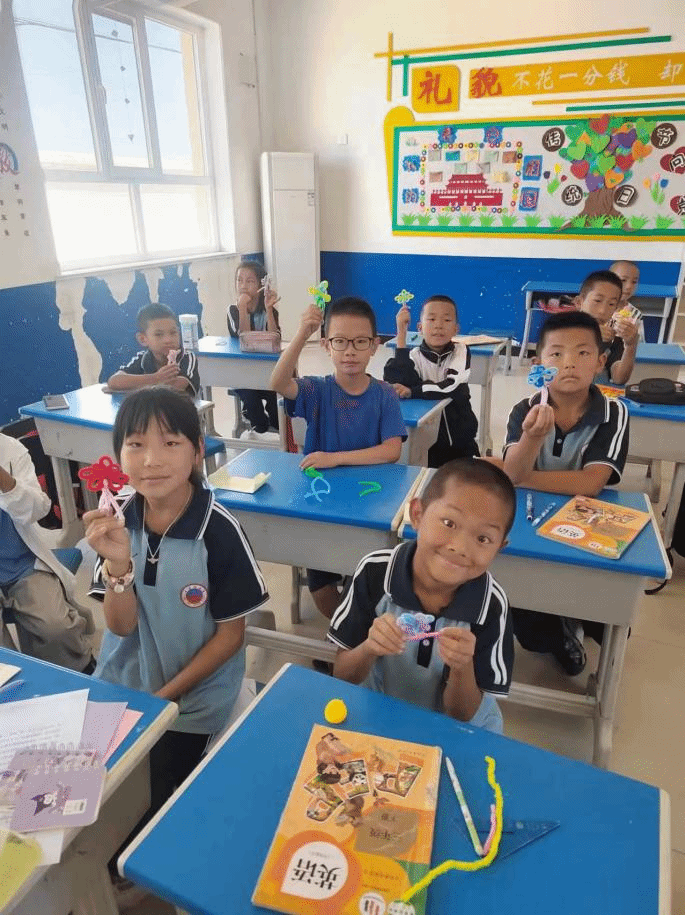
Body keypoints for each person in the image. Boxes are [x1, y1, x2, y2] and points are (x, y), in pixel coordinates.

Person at [85, 387, 268, 826]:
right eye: (135, 444)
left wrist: (163, 699)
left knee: (161, 805)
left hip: (192, 701)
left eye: (170, 443)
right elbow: (121, 627)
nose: (151, 460)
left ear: (197, 450)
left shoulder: (219, 531)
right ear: (119, 455)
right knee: (97, 793)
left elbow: (231, 636)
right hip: (122, 684)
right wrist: (118, 565)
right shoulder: (117, 522)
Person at [328, 459, 515, 734]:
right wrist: (369, 647)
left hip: (451, 731)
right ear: (417, 514)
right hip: (380, 714)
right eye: (449, 523)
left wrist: (462, 667)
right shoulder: (375, 572)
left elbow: (462, 714)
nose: (461, 548)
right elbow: (342, 675)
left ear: (499, 548)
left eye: (483, 539)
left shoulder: (492, 605)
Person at [503, 310, 630, 675]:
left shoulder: (613, 413)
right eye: (556, 354)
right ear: (538, 364)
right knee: (528, 618)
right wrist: (532, 437)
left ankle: (583, 620)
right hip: (528, 523)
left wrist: (521, 475)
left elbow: (591, 483)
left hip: (587, 526)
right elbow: (513, 473)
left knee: (609, 613)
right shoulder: (524, 410)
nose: (569, 363)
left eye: (582, 353)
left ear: (601, 362)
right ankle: (558, 633)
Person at [270, 296, 406, 620]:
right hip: (322, 503)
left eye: (360, 342)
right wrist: (302, 332)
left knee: (372, 574)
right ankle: (342, 628)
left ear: (374, 346)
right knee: (322, 583)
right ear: (326, 345)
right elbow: (277, 382)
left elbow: (392, 450)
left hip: (370, 503)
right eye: (340, 341)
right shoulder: (317, 390)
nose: (349, 351)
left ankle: (354, 623)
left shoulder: (385, 394)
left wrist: (336, 458)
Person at [0, 433, 95, 673]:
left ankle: (81, 670)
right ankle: (16, 686)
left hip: (22, 563)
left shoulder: (10, 449)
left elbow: (39, 509)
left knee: (55, 628)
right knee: (5, 662)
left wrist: (6, 482)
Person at [383, 294, 479, 464]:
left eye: (446, 320)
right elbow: (398, 381)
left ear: (456, 329)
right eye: (432, 319)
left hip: (462, 440)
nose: (439, 325)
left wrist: (414, 391)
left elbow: (451, 386)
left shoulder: (461, 351)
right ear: (420, 328)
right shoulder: (414, 356)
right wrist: (402, 334)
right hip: (430, 442)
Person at [227, 260, 280, 436]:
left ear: (260, 285)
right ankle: (258, 424)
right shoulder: (233, 310)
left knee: (276, 399)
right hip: (243, 372)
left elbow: (275, 338)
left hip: (267, 371)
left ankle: (277, 423)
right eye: (239, 280)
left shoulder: (269, 310)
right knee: (251, 398)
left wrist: (269, 309)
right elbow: (244, 339)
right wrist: (242, 308)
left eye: (249, 281)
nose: (243, 286)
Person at [107, 303, 200, 396]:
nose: (168, 340)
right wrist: (156, 378)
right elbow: (114, 381)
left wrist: (134, 386)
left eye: (173, 333)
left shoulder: (186, 357)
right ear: (143, 339)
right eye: (158, 334)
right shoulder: (143, 358)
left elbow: (175, 387)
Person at [576, 270, 638, 385]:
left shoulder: (613, 338)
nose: (603, 310)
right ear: (579, 302)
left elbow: (619, 378)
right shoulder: (562, 328)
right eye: (597, 300)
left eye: (611, 304)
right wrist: (589, 335)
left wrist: (631, 345)